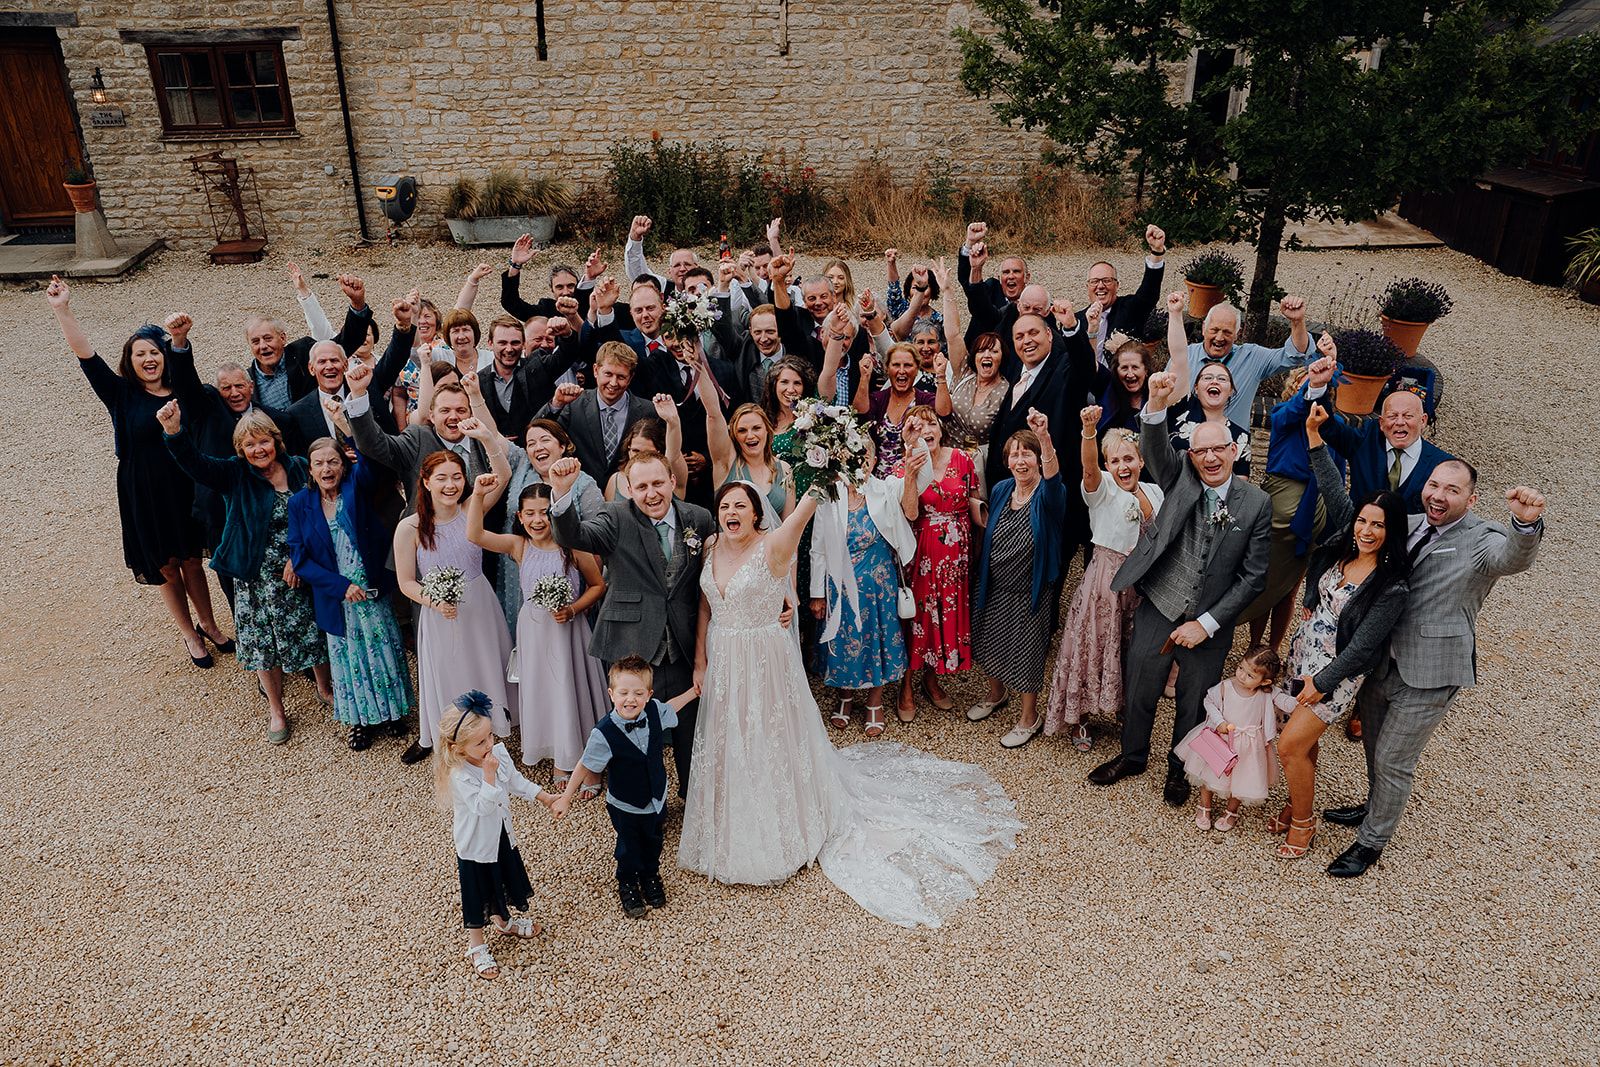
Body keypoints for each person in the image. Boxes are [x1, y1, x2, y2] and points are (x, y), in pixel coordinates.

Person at [678, 473, 1022, 927]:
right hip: (724, 660)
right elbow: (706, 604)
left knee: (770, 735)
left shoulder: (774, 544)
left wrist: (822, 459)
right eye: (725, 507)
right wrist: (701, 658)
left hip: (762, 661)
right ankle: (732, 825)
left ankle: (784, 827)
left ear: (757, 513)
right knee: (732, 737)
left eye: (741, 506)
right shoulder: (709, 547)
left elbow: (805, 512)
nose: (731, 514)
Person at [1325, 463, 1545, 879]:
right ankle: (1376, 804)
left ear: (1471, 499)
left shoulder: (1483, 538)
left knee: (1394, 759)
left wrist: (1524, 524)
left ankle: (1371, 842)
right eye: (1433, 485)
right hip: (1382, 661)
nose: (1439, 496)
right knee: (1374, 745)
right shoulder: (1404, 524)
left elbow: (1511, 558)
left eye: (1452, 490)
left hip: (1432, 668)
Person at [1087, 370, 1272, 805]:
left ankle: (1180, 768)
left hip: (1211, 620)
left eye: (1218, 449)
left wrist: (1206, 624)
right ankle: (1132, 755)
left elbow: (1253, 578)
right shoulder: (1180, 478)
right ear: (1191, 455)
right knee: (1141, 686)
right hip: (1161, 602)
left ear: (1234, 450)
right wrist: (1154, 404)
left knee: (1194, 701)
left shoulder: (1257, 503)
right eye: (1201, 450)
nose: (1210, 458)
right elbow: (1153, 448)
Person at [48, 278, 231, 667]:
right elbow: (86, 356)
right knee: (166, 563)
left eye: (154, 352)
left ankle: (210, 624)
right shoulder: (121, 394)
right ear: (129, 362)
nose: (149, 359)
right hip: (143, 489)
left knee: (193, 560)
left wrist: (180, 340)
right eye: (139, 354)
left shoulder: (182, 390)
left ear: (164, 356)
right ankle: (188, 635)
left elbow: (189, 373)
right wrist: (63, 310)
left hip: (183, 482)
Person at [1272, 403, 1411, 859]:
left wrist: (1322, 683)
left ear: (1391, 533)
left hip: (1336, 676)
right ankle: (1296, 808)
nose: (1368, 530)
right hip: (1303, 654)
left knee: (1289, 745)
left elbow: (1364, 651)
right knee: (1303, 744)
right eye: (1364, 521)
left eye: (1379, 525)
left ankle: (1305, 823)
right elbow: (1333, 486)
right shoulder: (1341, 548)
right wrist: (1315, 436)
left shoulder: (1390, 587)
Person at [548, 450, 718, 798]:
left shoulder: (698, 519)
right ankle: (643, 800)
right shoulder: (614, 517)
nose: (651, 493)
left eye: (658, 483)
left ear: (672, 481)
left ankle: (693, 798)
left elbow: (717, 574)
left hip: (683, 642)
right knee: (636, 729)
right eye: (641, 487)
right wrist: (563, 493)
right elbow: (574, 536)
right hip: (631, 643)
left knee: (689, 726)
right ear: (628, 489)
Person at [160, 403, 331, 744]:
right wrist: (174, 432)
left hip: (300, 569)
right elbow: (195, 465)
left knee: (313, 630)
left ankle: (325, 688)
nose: (258, 450)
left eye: (263, 441)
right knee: (263, 643)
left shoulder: (298, 468)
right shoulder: (235, 474)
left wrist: (300, 556)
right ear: (240, 450)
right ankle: (277, 709)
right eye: (250, 445)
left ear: (275, 440)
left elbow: (320, 510)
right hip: (256, 577)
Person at [467, 475, 608, 791]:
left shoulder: (572, 547)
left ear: (555, 513)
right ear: (519, 516)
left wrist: (573, 609)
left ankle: (590, 762)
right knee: (547, 694)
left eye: (544, 512)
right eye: (529, 513)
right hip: (533, 630)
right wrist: (477, 494)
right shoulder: (519, 545)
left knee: (572, 693)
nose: (537, 520)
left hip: (568, 631)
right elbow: (474, 534)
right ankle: (561, 756)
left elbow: (598, 585)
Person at [1045, 409, 1164, 751]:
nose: (1123, 466)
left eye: (1129, 458)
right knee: (1091, 645)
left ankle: (1121, 709)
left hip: (1142, 585)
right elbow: (1088, 468)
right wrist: (1088, 431)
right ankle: (1080, 717)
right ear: (1108, 465)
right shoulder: (1103, 488)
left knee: (1131, 650)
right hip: (1104, 582)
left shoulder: (1156, 493)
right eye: (1115, 461)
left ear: (1141, 460)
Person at [286, 438, 415, 751]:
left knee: (384, 652)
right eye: (319, 463)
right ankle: (360, 721)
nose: (327, 468)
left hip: (371, 590)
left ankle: (392, 714)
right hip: (338, 596)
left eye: (333, 461)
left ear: (343, 466)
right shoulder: (300, 503)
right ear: (310, 468)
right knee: (349, 661)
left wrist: (349, 430)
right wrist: (340, 586)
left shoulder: (356, 488)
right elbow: (300, 559)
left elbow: (370, 465)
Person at [551, 657, 702, 917]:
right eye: (623, 693)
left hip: (656, 797)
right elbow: (584, 765)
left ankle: (650, 875)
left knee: (654, 841)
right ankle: (628, 882)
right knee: (629, 846)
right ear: (611, 694)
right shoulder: (604, 732)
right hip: (625, 804)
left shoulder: (654, 711)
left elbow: (671, 707)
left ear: (648, 694)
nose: (630, 699)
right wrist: (566, 796)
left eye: (638, 693)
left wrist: (693, 692)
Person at [394, 450, 516, 765]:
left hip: (480, 605)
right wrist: (436, 601)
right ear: (426, 481)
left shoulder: (471, 509)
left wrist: (485, 437)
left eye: (457, 477)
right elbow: (406, 582)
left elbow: (503, 474)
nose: (451, 485)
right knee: (450, 673)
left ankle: (490, 733)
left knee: (485, 665)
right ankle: (455, 738)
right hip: (440, 614)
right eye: (442, 478)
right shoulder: (410, 528)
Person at [434, 690, 555, 980]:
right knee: (477, 893)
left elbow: (514, 781)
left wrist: (544, 797)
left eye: (490, 736)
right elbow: (482, 807)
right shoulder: (460, 775)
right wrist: (488, 776)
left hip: (500, 836)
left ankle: (504, 921)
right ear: (458, 748)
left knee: (502, 878)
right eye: (480, 742)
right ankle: (476, 946)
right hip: (475, 847)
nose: (490, 744)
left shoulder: (497, 754)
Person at [969, 411, 1067, 748]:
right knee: (989, 640)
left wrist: (1044, 438)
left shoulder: (1050, 494)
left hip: (1031, 590)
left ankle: (1029, 717)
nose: (1021, 460)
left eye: (1028, 454)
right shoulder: (1000, 489)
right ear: (1007, 461)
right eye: (1015, 454)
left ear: (1038, 459)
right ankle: (997, 695)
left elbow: (1053, 478)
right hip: (996, 584)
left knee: (1026, 651)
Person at [1239, 344, 1344, 654]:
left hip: (1315, 508)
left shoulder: (1332, 429)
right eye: (1303, 381)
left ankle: (1272, 649)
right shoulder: (1283, 416)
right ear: (1294, 388)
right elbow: (1300, 407)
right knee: (1266, 578)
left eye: (1317, 383)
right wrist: (1314, 385)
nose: (1309, 386)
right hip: (1281, 505)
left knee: (1289, 588)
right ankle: (1254, 646)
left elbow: (1336, 472)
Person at [809, 449, 917, 738]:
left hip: (879, 586)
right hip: (840, 586)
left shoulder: (885, 488)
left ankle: (874, 701)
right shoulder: (829, 494)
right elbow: (818, 547)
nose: (861, 462)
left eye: (866, 456)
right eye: (855, 456)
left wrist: (910, 446)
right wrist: (817, 593)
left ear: (874, 460)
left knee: (876, 640)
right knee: (845, 642)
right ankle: (845, 698)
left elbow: (919, 479)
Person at [479, 417, 605, 631]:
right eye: (531, 443)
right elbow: (492, 435)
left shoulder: (584, 484)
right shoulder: (522, 465)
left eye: (545, 440)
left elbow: (596, 540)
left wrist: (588, 596)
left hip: (565, 572)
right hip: (518, 568)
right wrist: (474, 393)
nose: (538, 447)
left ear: (563, 446)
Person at [896, 406, 980, 717]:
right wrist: (909, 470)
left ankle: (931, 680)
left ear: (941, 429)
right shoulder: (907, 464)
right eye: (916, 425)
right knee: (916, 619)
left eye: (931, 422)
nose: (925, 429)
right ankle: (906, 686)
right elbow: (909, 513)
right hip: (922, 552)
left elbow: (973, 500)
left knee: (943, 616)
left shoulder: (962, 459)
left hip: (957, 554)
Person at [345, 359, 495, 516]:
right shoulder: (418, 439)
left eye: (461, 410)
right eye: (445, 410)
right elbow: (374, 444)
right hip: (425, 534)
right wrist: (358, 394)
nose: (453, 416)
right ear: (432, 415)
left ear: (470, 413)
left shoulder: (483, 439)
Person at [1172, 648, 1295, 830]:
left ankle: (1231, 810)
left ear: (1265, 681)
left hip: (1248, 745)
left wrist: (1307, 697)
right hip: (1220, 739)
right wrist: (1219, 721)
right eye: (1240, 668)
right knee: (1208, 773)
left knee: (1241, 779)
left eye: (1250, 675)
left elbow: (1288, 703)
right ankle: (1205, 805)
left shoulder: (1268, 692)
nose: (1242, 676)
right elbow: (1209, 701)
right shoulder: (1226, 686)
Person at [1313, 387, 1450, 514]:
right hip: (1358, 533)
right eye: (1392, 416)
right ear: (1381, 423)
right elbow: (1327, 427)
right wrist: (1318, 388)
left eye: (1408, 416)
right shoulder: (1364, 440)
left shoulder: (1442, 464)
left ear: (1423, 420)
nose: (1400, 422)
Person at [1181, 296, 1311, 427]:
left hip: (1232, 444)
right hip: (1185, 443)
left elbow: (1295, 355)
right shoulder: (1184, 356)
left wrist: (1297, 321)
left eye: (1227, 332)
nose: (1219, 337)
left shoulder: (1253, 358)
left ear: (1237, 333)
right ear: (1204, 328)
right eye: (1214, 330)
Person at [538, 342, 657, 483]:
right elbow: (537, 433)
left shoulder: (648, 411)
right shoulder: (573, 404)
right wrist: (556, 404)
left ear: (630, 378)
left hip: (629, 492)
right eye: (608, 374)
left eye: (621, 377)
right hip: (582, 491)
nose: (613, 383)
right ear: (595, 370)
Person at [700, 359, 795, 519]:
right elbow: (713, 413)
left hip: (772, 544)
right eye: (742, 431)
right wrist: (699, 365)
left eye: (756, 428)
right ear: (735, 436)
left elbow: (788, 525)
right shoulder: (726, 463)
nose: (750, 435)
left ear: (767, 430)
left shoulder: (785, 469)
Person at [1075, 224, 1168, 366]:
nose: (1100, 286)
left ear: (1117, 285)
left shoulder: (1130, 308)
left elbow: (1149, 292)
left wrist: (1156, 252)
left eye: (1107, 280)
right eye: (1094, 281)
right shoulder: (1077, 320)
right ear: (1087, 287)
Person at [854, 343, 949, 477]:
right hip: (880, 483)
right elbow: (859, 413)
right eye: (896, 365)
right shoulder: (878, 398)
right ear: (887, 368)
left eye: (908, 365)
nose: (902, 370)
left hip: (916, 480)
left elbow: (944, 413)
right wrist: (864, 377)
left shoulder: (925, 399)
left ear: (917, 369)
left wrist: (941, 375)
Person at [601, 408, 690, 502]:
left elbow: (674, 454)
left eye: (648, 452)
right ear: (628, 448)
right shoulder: (615, 480)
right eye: (635, 451)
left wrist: (672, 421)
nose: (640, 457)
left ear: (659, 452)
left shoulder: (670, 476)